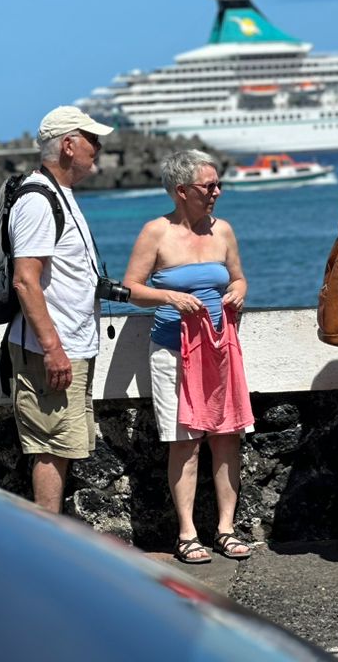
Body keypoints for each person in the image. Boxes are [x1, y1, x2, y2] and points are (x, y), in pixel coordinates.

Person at [123, 149, 252, 566]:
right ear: (182, 191)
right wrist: (170, 297)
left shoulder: (223, 230)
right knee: (185, 442)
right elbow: (131, 288)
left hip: (219, 350)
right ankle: (187, 533)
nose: (217, 192)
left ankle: (227, 528)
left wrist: (239, 291)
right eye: (209, 186)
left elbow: (238, 278)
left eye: (218, 185)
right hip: (172, 350)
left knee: (226, 436)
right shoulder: (156, 232)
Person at [8, 105, 114, 512]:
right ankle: (45, 538)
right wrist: (53, 348)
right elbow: (25, 280)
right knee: (51, 446)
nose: (98, 147)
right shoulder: (38, 201)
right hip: (52, 349)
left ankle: (50, 534)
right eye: (92, 139)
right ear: (69, 145)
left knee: (64, 444)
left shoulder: (58, 195)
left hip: (70, 344)